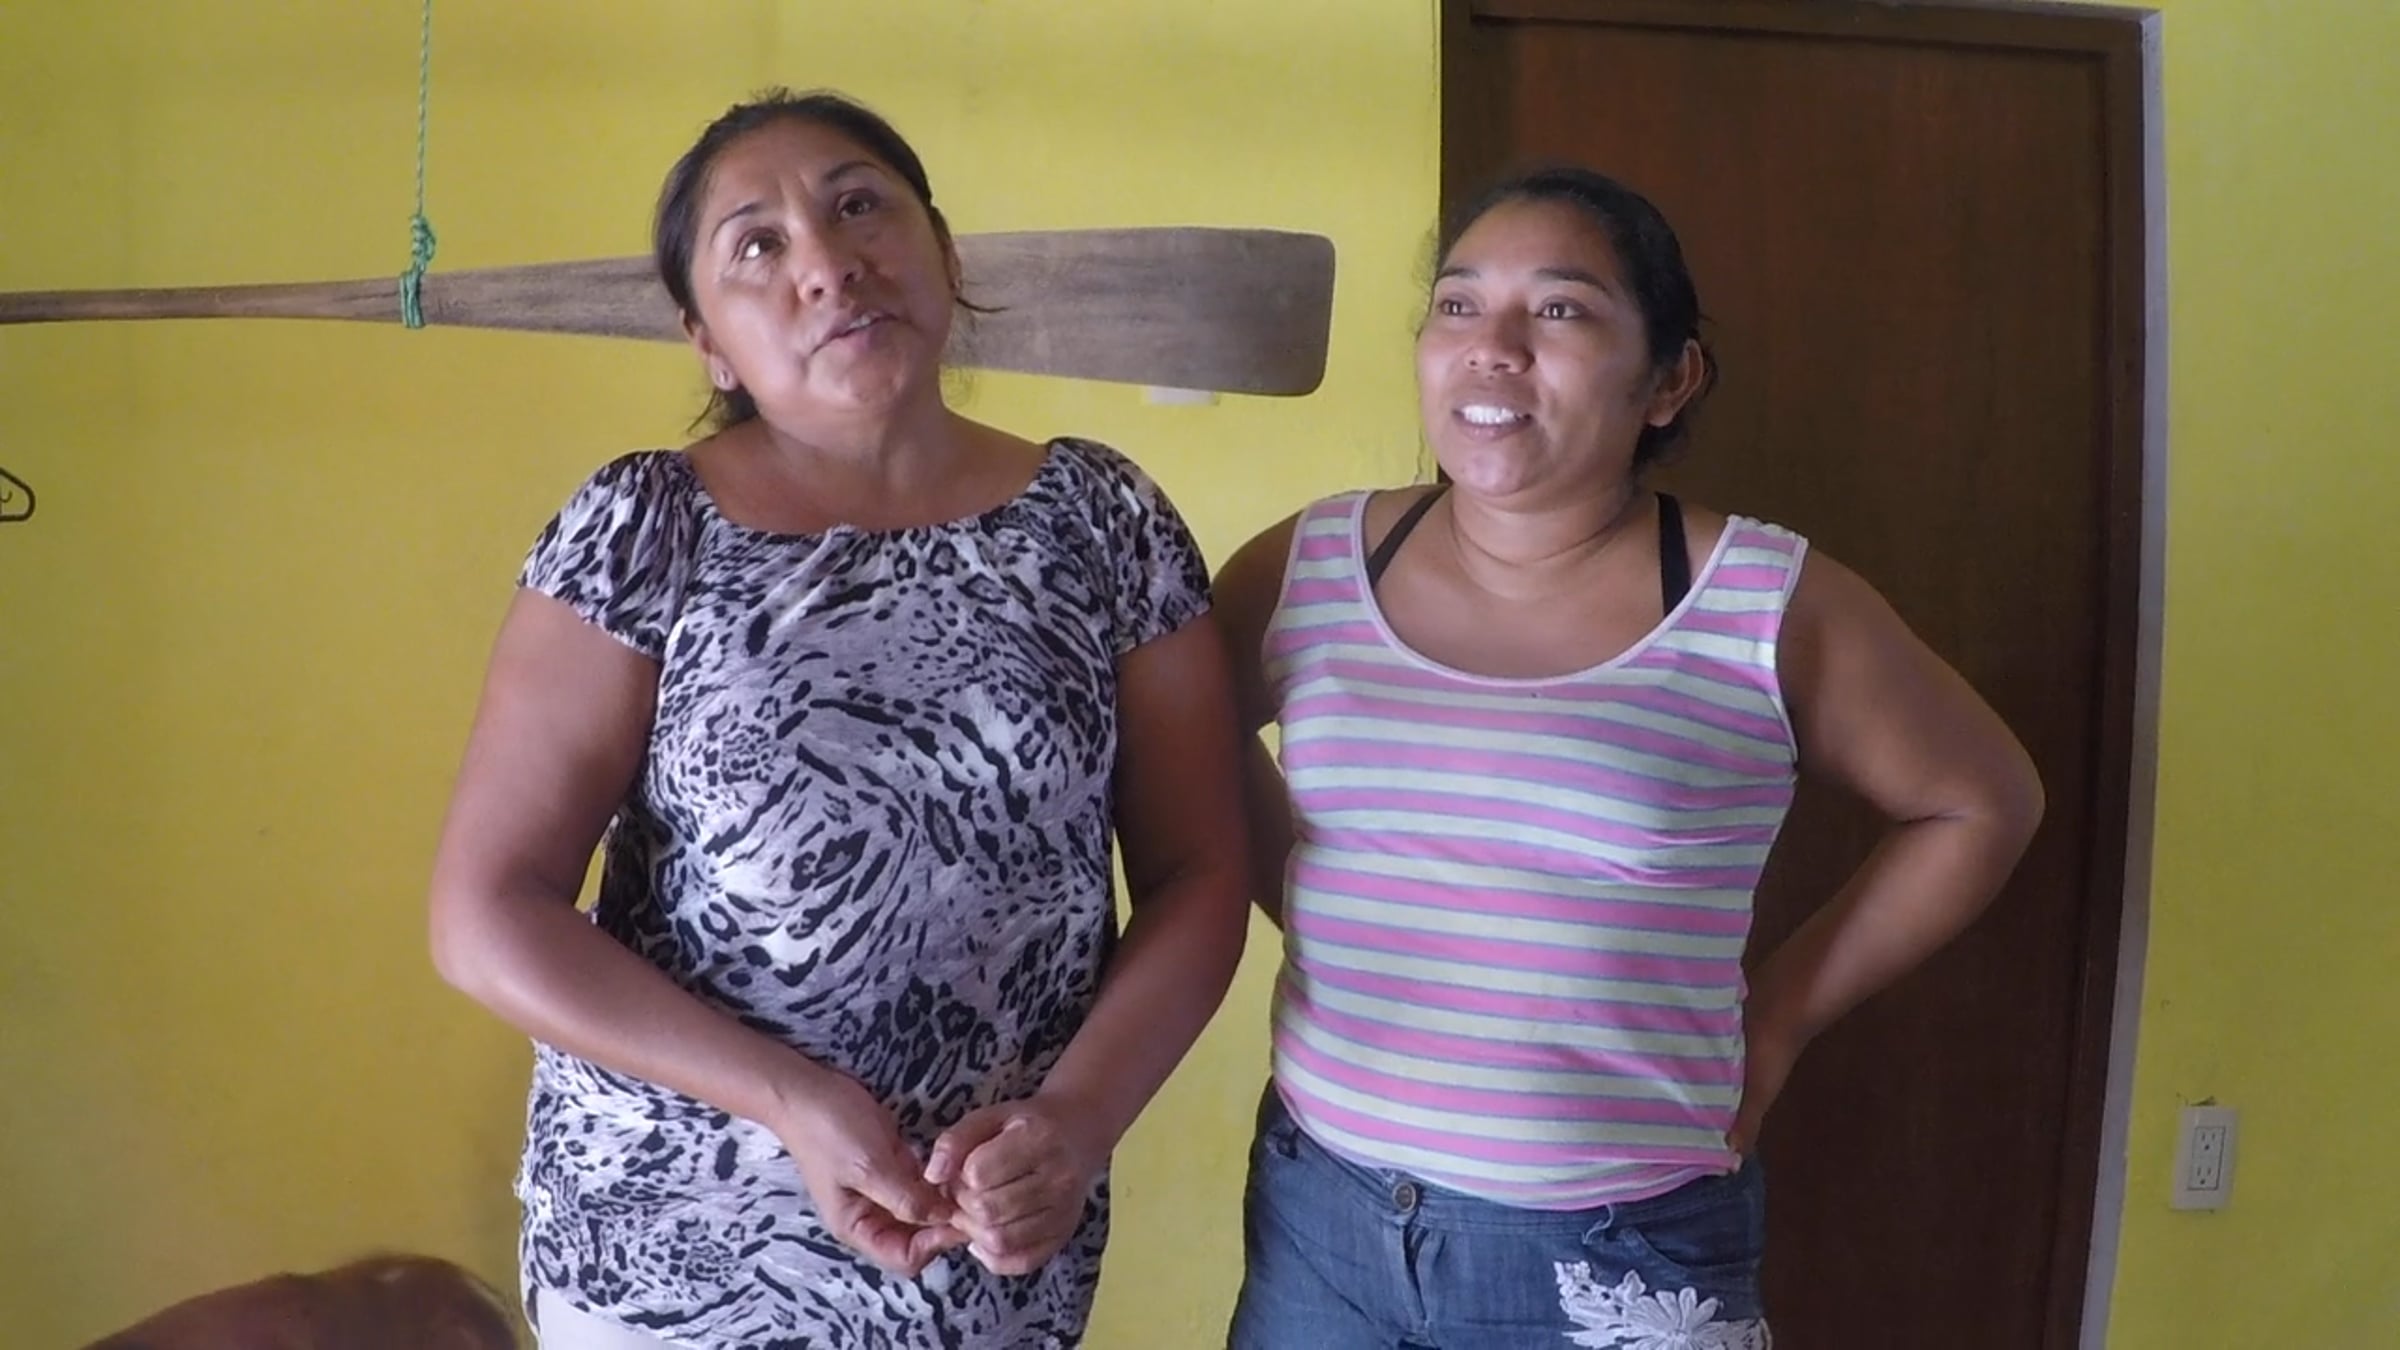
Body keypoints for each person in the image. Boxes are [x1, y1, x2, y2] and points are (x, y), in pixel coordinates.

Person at [426, 89, 1249, 1350]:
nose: (827, 261)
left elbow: (1200, 871)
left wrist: (1080, 1120)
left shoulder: (1103, 520)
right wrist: (789, 1101)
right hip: (674, 1244)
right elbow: (485, 915)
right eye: (757, 243)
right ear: (707, 341)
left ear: (943, 252)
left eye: (860, 205)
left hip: (986, 1242)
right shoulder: (645, 529)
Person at [1215, 166, 2045, 1348]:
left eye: (1560, 309)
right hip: (1323, 1214)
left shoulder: (1762, 600)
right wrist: (1314, 902)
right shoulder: (1309, 564)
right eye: (1458, 304)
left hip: (1616, 1242)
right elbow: (1186, 752)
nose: (1492, 347)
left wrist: (1781, 1018)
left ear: (1668, 380)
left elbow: (1982, 803)